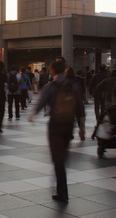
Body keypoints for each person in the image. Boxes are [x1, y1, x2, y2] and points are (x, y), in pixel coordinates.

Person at [29, 58, 85, 203]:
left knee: (57, 159)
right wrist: (82, 128)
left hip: (55, 125)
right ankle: (61, 188)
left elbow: (41, 103)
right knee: (62, 157)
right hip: (69, 125)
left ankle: (62, 191)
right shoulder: (74, 86)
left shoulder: (50, 86)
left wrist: (33, 114)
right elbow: (79, 107)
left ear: (52, 70)